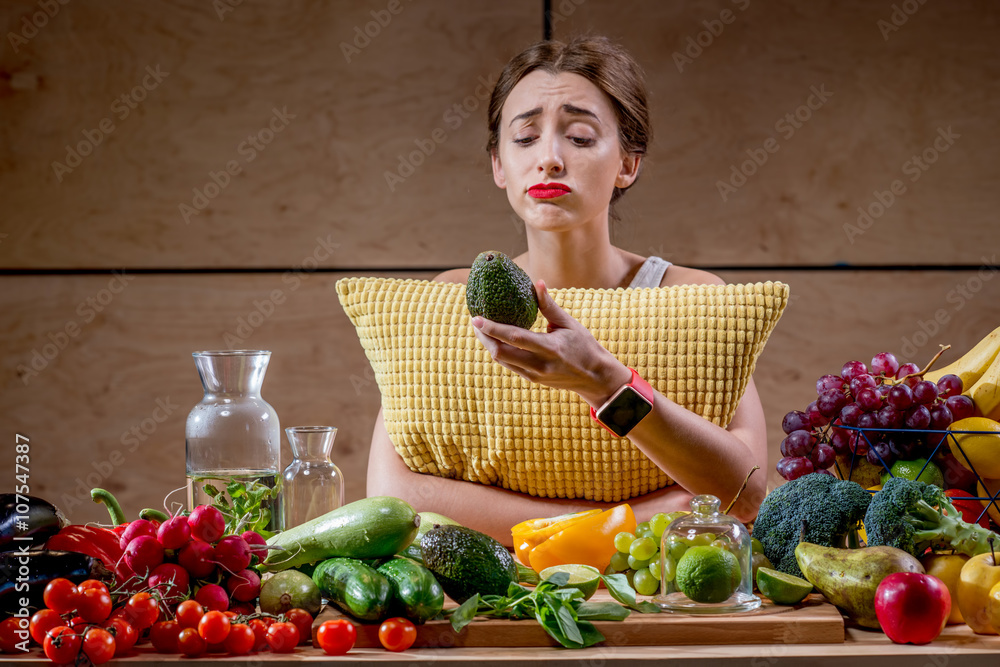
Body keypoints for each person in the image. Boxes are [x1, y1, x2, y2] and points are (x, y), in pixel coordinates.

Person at [367, 36, 767, 546]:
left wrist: (605, 382)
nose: (550, 158)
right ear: (498, 164)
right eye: (525, 138)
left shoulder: (692, 298)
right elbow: (391, 495)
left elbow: (748, 493)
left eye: (579, 137)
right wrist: (618, 520)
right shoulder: (449, 299)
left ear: (627, 163)